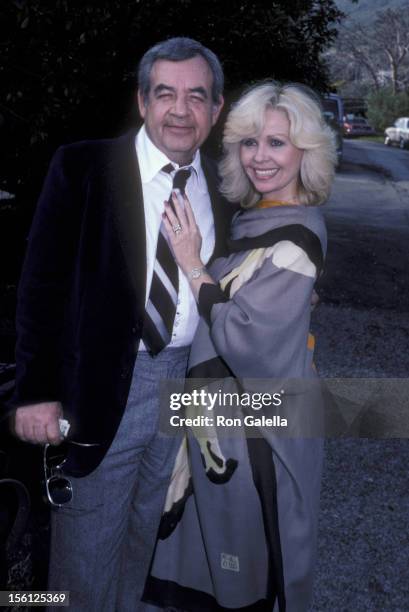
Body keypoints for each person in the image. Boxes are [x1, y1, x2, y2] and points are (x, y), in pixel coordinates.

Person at [7, 37, 231, 610]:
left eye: (196, 96)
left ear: (217, 108)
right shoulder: (83, 166)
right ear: (141, 101)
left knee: (144, 544)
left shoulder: (227, 192)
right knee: (83, 557)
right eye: (165, 94)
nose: (180, 110)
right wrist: (35, 393)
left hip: (184, 388)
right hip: (101, 386)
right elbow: (41, 286)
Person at [142, 82, 337, 611]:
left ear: (306, 151)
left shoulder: (297, 234)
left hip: (257, 433)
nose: (260, 157)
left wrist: (194, 265)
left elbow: (248, 339)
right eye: (249, 142)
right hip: (222, 417)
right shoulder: (257, 216)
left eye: (277, 143)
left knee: (247, 555)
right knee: (207, 553)